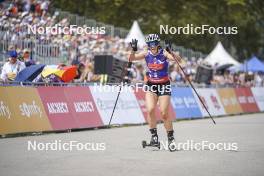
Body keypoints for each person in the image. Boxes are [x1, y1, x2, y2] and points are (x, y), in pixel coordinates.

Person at [128, 34, 182, 147]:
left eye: (154, 44)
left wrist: (171, 51)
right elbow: (131, 59)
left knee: (164, 113)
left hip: (164, 85)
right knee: (151, 109)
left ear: (158, 44)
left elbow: (179, 60)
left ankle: (170, 138)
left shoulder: (164, 53)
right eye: (150, 44)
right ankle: (154, 137)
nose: (152, 46)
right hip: (151, 85)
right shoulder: (146, 53)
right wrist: (133, 50)